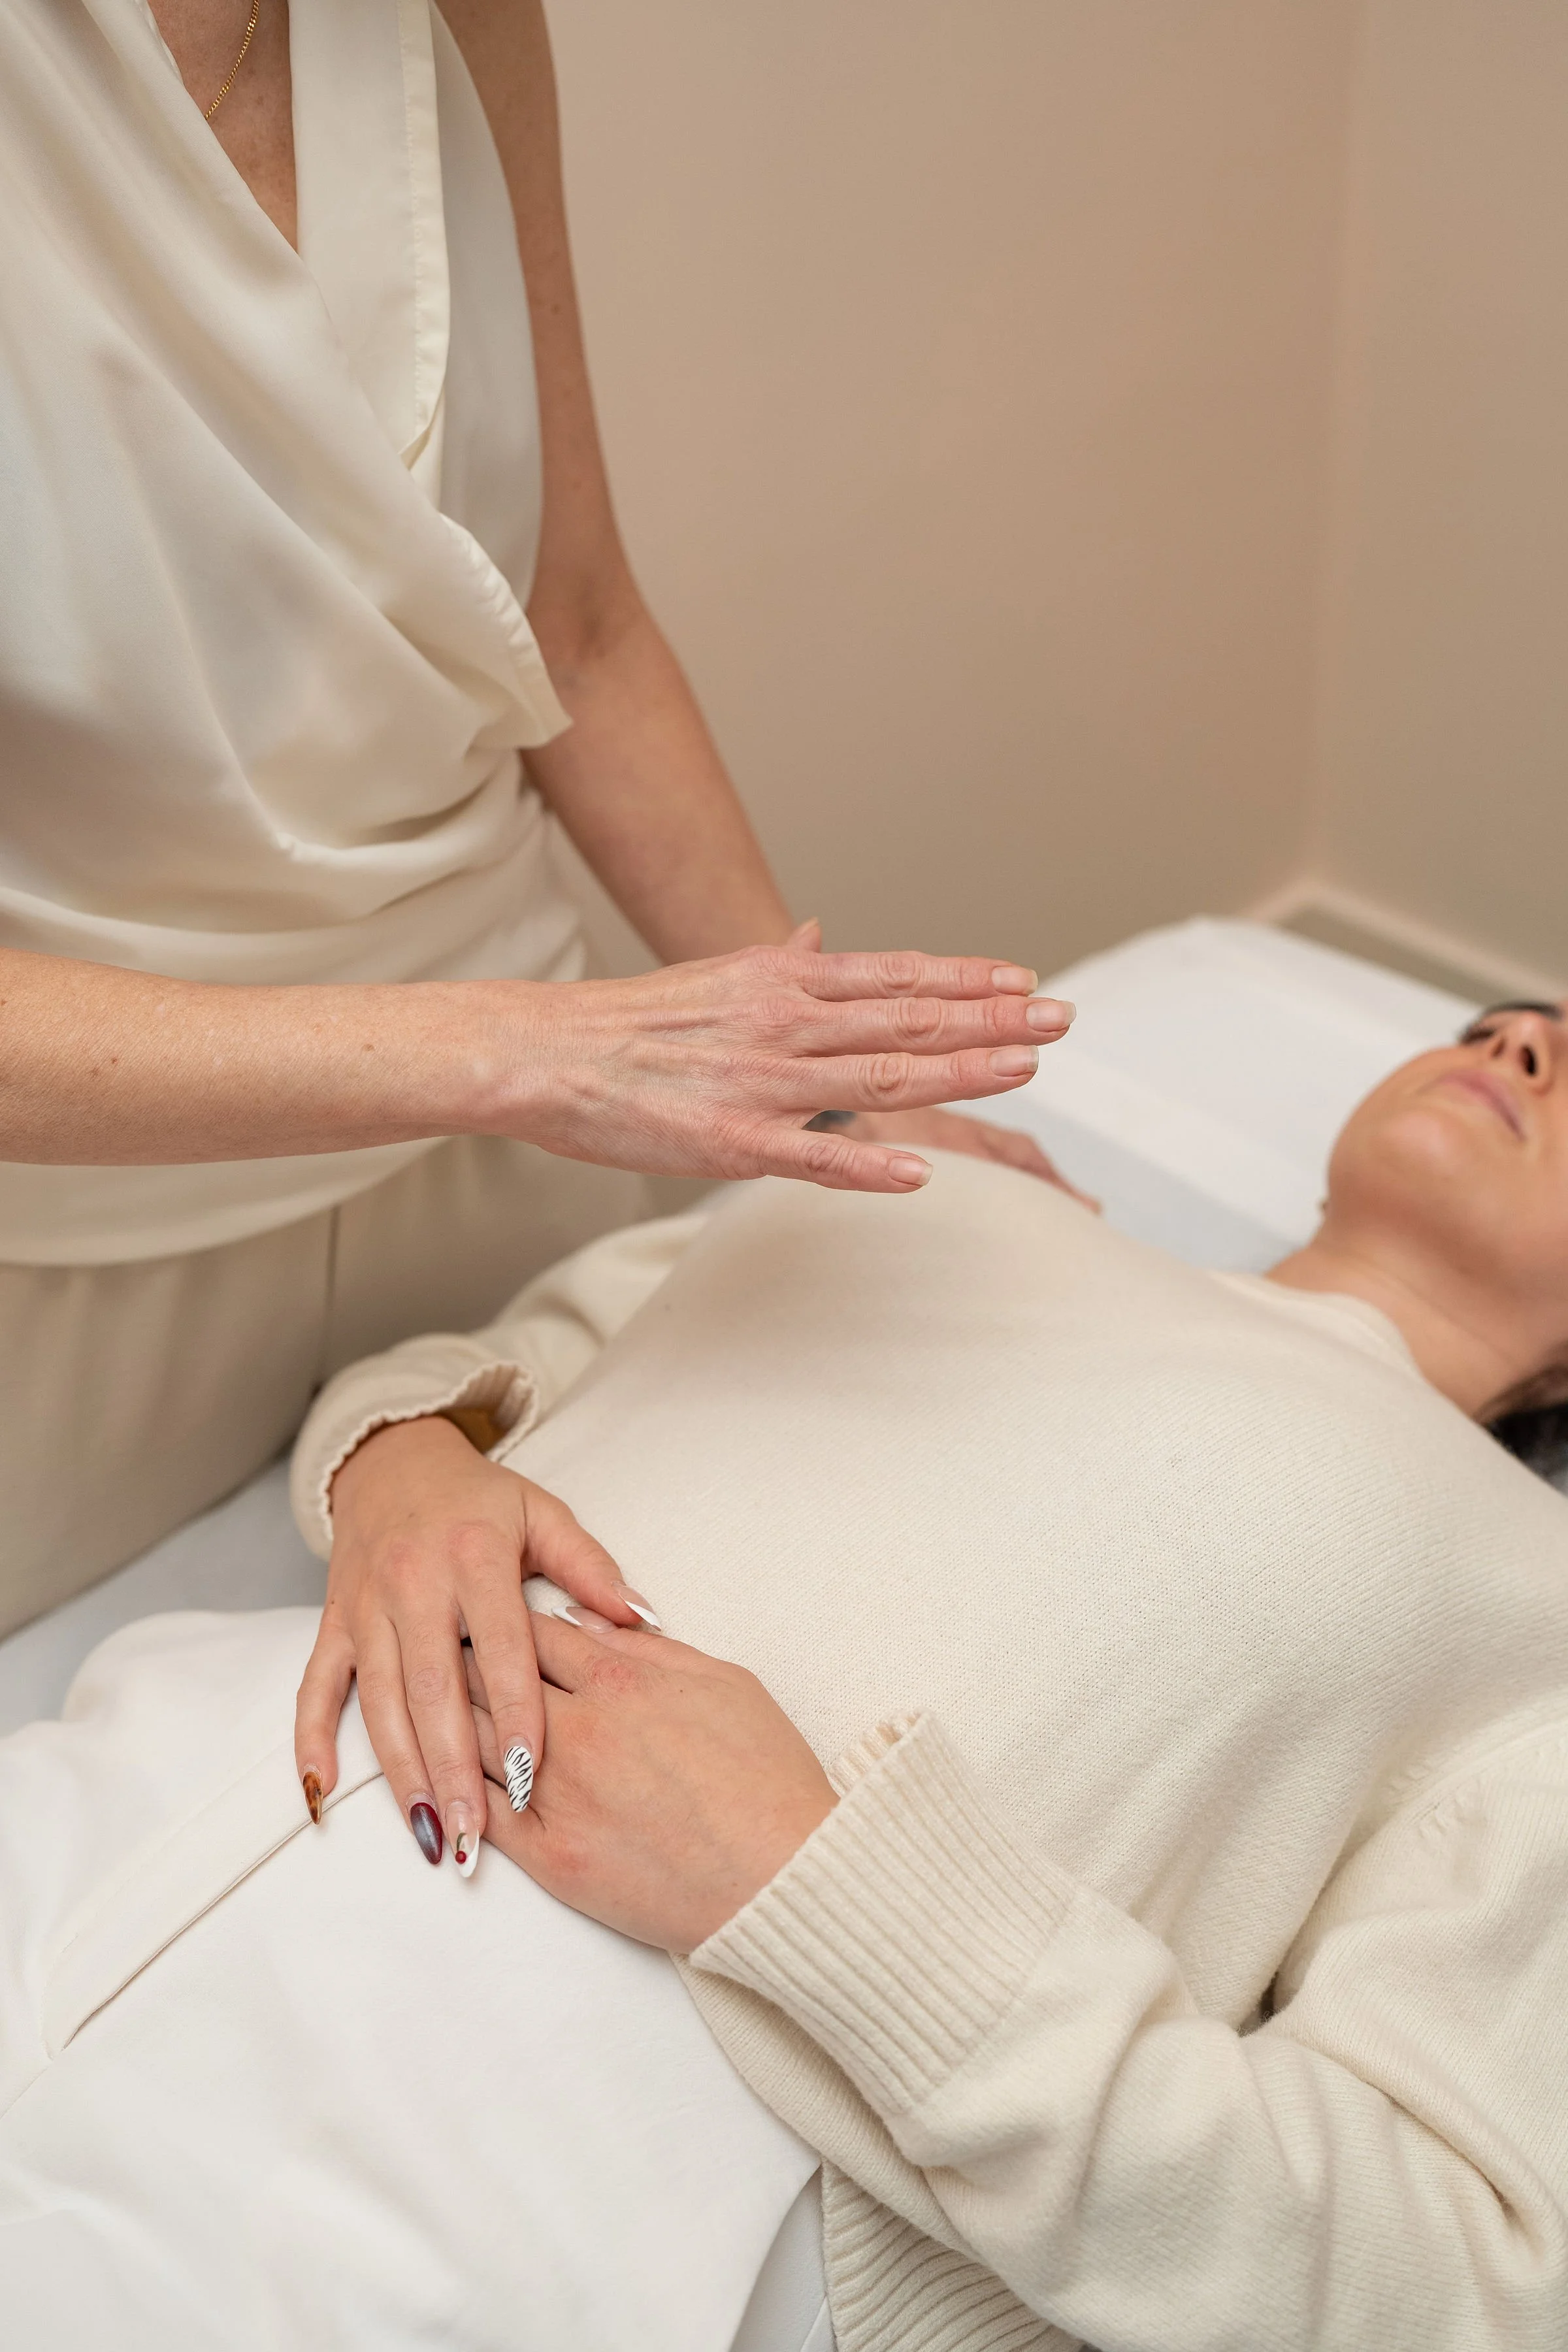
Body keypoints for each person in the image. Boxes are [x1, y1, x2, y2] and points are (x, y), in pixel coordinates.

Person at [3, 998, 1568, 2350]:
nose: (1516, 1041)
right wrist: (400, 1465)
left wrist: (820, 1889)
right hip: (143, 1805)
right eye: (1499, 1024)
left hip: (557, 2172)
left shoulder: (1531, 1606)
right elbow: (476, 1373)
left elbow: (1450, 2283)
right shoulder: (917, 1187)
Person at [0, 0, 1072, 1639]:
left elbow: (570, 621)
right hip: (86, 1244)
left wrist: (835, 1085)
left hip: (508, 1181)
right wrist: (542, 1055)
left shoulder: (458, 17)